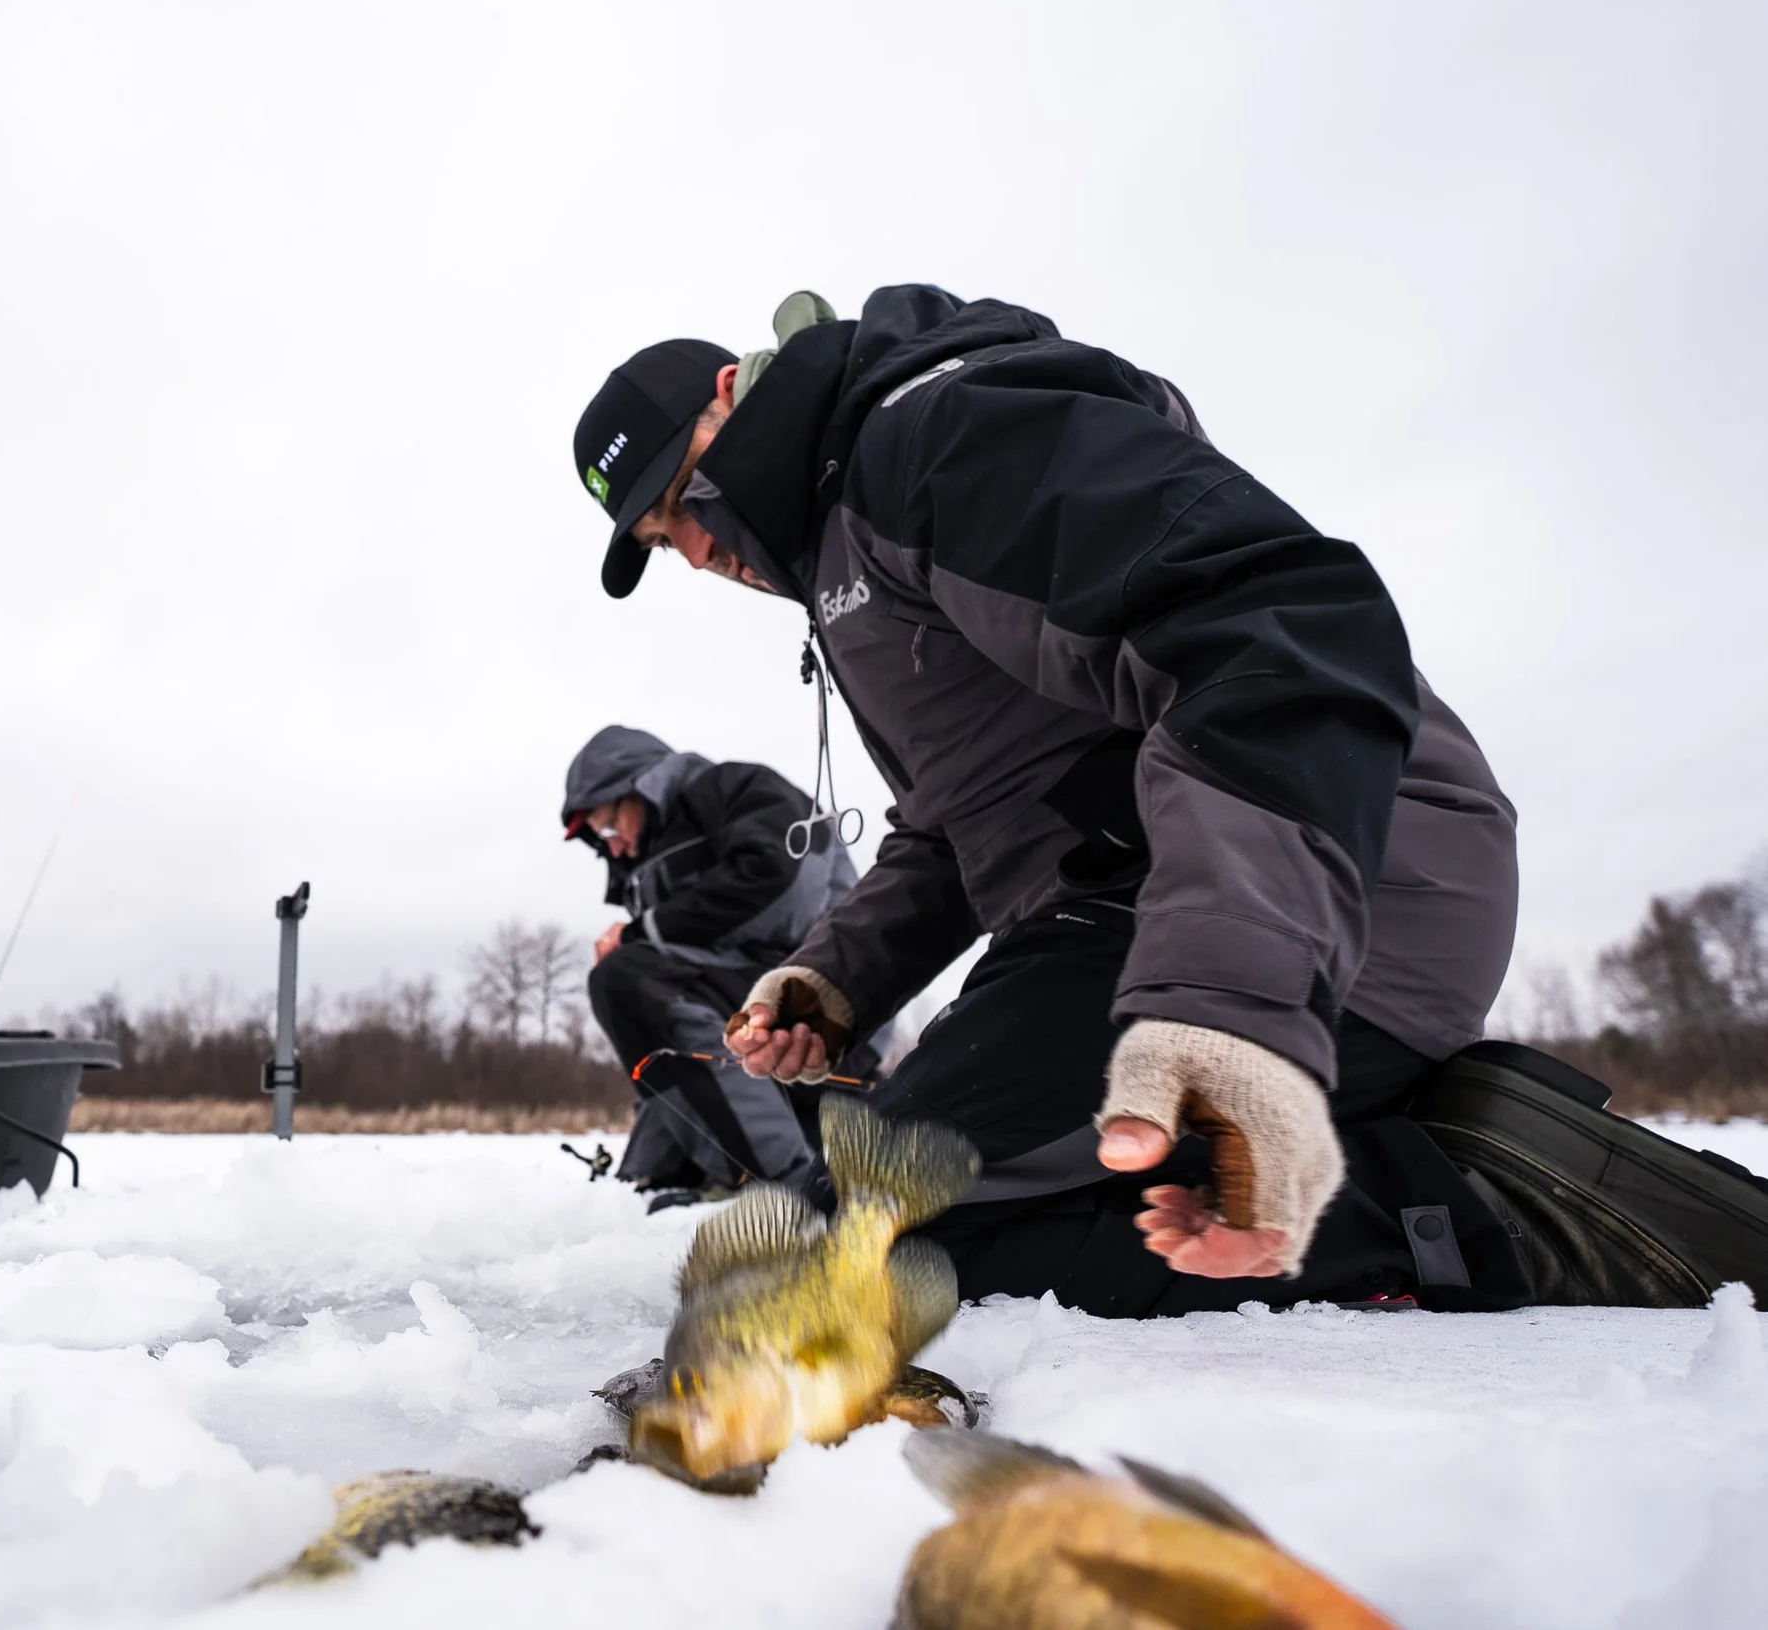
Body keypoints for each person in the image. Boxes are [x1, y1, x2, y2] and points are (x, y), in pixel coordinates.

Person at [569, 286, 1768, 1313]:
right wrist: (832, 981)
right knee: (852, 1210)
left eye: (679, 493)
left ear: (732, 393)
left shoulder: (932, 431)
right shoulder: (843, 558)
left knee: (901, 1234)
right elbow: (962, 815)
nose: (687, 545)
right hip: (1123, 910)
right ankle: (1382, 1126)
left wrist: (1232, 1006)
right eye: (659, 534)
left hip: (1345, 882)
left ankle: (1472, 1198)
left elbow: (1274, 631)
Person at [562, 724, 875, 1204]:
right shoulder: (644, 869)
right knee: (635, 989)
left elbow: (783, 889)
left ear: (639, 789)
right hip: (757, 1026)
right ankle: (690, 1171)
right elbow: (680, 1029)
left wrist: (640, 931)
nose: (614, 847)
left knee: (627, 978)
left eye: (607, 827)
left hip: (827, 1009)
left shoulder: (736, 790)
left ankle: (786, 1188)